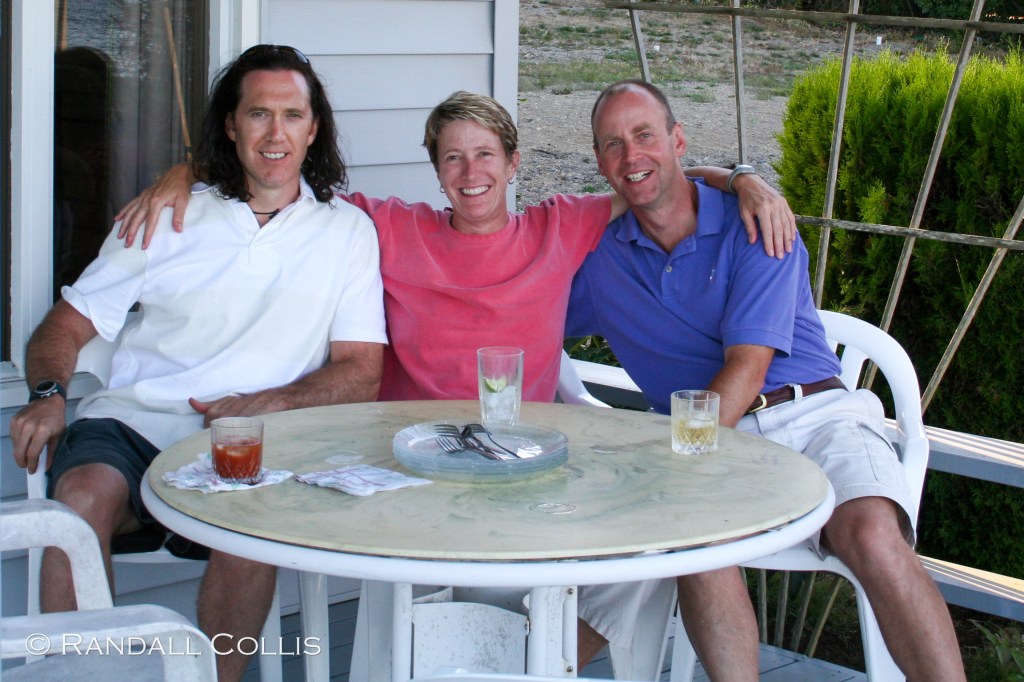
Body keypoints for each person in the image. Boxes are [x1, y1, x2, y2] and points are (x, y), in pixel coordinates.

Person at [115, 89, 795, 671]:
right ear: (436, 171)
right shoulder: (389, 227)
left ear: (513, 163)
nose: (471, 173)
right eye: (452, 157)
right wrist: (188, 172)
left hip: (524, 467)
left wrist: (742, 179)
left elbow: (654, 178)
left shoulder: (562, 226)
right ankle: (486, 659)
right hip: (406, 467)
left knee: (648, 560)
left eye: (485, 155)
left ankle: (516, 664)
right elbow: (277, 169)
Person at [566, 79, 966, 680]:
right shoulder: (599, 259)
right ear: (600, 162)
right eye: (613, 145)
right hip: (710, 441)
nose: (631, 156)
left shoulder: (757, 221)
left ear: (678, 139)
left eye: (645, 135)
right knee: (693, 542)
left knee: (874, 536)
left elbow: (747, 368)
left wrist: (739, 180)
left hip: (813, 416)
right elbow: (517, 301)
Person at [9, 44, 387, 682]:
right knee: (76, 502)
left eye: (292, 115)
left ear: (314, 127)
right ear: (232, 125)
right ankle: (81, 676)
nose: (276, 134)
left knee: (250, 528)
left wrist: (262, 406)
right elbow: (66, 325)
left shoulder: (345, 232)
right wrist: (48, 391)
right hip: (134, 423)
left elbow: (360, 369)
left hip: (251, 442)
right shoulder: (166, 213)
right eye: (259, 114)